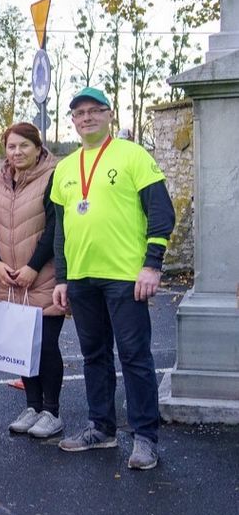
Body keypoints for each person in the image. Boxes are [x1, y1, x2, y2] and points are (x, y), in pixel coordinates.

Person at [51, 87, 174, 470]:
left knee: (135, 357)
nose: (86, 117)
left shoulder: (133, 155)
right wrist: (62, 278)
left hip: (126, 276)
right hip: (83, 276)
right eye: (79, 113)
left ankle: (145, 438)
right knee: (94, 356)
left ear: (109, 115)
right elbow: (60, 229)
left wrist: (152, 264)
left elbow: (161, 212)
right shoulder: (66, 168)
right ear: (72, 120)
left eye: (94, 111)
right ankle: (101, 429)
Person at [0, 123, 67, 438]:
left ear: (37, 147)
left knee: (45, 347)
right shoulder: (0, 181)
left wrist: (33, 266)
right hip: (10, 278)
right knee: (23, 346)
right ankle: (33, 406)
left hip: (42, 277)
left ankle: (52, 411)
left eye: (23, 146)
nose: (17, 152)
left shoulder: (53, 176)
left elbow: (56, 227)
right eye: (11, 147)